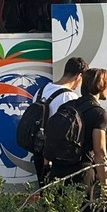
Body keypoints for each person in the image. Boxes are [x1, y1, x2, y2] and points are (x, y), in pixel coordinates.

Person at [45, 67, 107, 190]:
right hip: (81, 173)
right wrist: (105, 187)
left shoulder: (67, 106)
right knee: (80, 209)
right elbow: (100, 152)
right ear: (100, 86)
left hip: (57, 171)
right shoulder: (99, 114)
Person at [33, 56, 88, 184]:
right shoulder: (69, 97)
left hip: (38, 150)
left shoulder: (41, 91)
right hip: (55, 157)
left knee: (44, 192)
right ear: (79, 76)